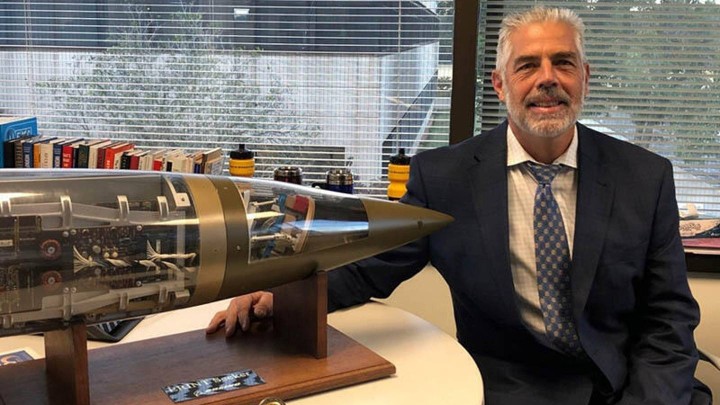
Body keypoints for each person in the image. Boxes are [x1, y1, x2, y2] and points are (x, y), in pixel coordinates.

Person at [207, 6, 711, 405]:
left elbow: (668, 318)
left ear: (585, 76)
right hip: (509, 389)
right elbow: (374, 267)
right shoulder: (443, 178)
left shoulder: (644, 177)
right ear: (500, 84)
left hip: (625, 385)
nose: (547, 79)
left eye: (563, 62)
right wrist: (278, 296)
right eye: (527, 65)